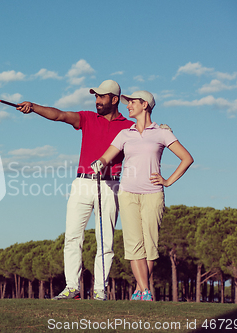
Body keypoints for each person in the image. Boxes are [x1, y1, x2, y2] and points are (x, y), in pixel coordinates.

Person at [17, 80, 134, 300]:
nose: (97, 101)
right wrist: (33, 107)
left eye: (102, 97)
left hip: (110, 185)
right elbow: (59, 115)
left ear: (115, 99)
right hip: (82, 183)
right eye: (96, 97)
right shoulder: (88, 118)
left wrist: (161, 128)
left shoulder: (128, 126)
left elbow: (148, 134)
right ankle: (72, 287)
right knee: (72, 237)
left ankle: (100, 290)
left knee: (105, 240)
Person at [91, 90, 193, 301]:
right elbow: (107, 156)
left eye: (132, 102)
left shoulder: (162, 133)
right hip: (127, 193)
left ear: (145, 105)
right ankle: (145, 291)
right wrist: (98, 164)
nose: (128, 106)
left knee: (150, 245)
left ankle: (140, 289)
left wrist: (167, 181)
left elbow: (186, 158)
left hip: (153, 194)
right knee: (133, 243)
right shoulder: (125, 134)